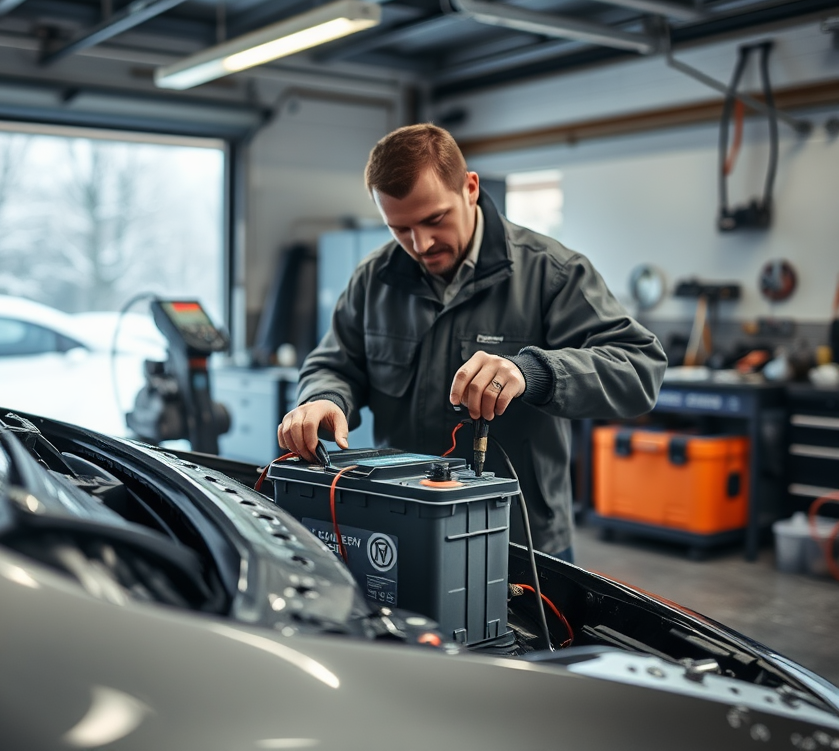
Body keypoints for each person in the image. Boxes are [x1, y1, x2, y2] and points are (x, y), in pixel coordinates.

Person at [276, 123, 666, 561]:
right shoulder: (374, 278)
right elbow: (334, 364)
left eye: (434, 219)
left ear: (470, 188)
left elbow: (639, 366)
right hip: (398, 527)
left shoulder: (551, 273)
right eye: (400, 229)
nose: (420, 244)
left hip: (518, 539)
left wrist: (532, 372)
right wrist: (324, 397)